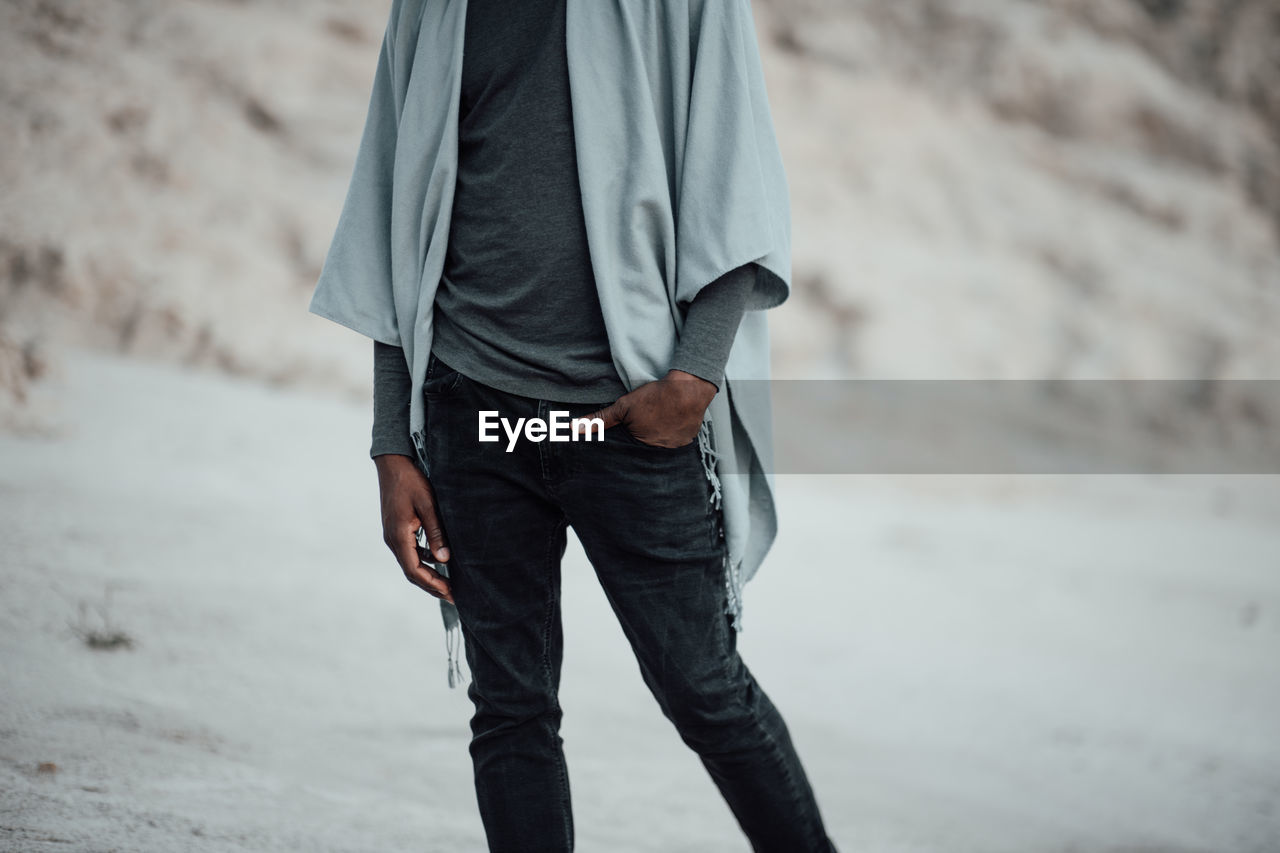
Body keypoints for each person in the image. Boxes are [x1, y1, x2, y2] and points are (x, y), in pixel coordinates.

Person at [311, 1, 838, 850]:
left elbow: (738, 179)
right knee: (511, 708)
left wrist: (695, 376)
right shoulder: (436, 9)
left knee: (705, 689)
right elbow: (392, 214)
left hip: (628, 417)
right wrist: (391, 438)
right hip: (471, 408)